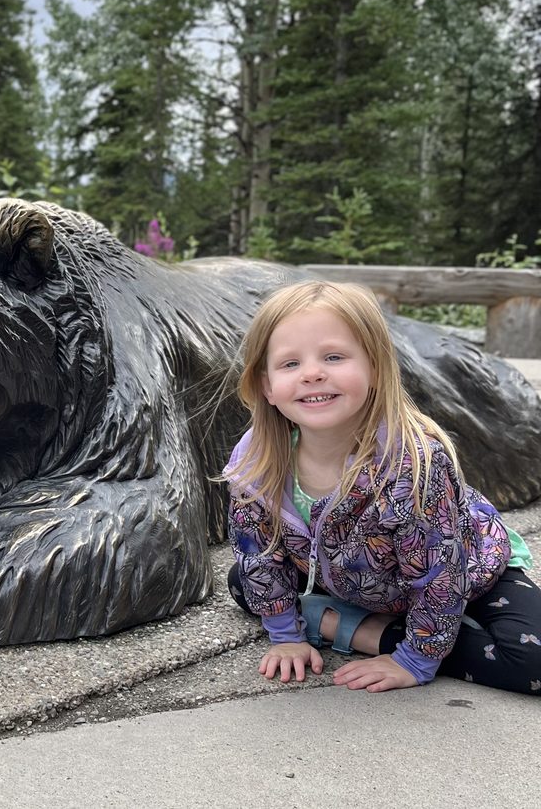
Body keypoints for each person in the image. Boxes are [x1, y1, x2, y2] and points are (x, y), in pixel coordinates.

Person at [224, 279, 539, 695]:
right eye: (289, 364)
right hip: (349, 578)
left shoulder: (412, 465)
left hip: (471, 571)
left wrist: (415, 657)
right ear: (266, 385)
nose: (313, 373)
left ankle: (363, 631)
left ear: (374, 367)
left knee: (531, 659)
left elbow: (440, 575)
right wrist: (287, 638)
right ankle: (375, 622)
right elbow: (259, 555)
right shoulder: (255, 461)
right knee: (244, 581)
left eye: (334, 357)